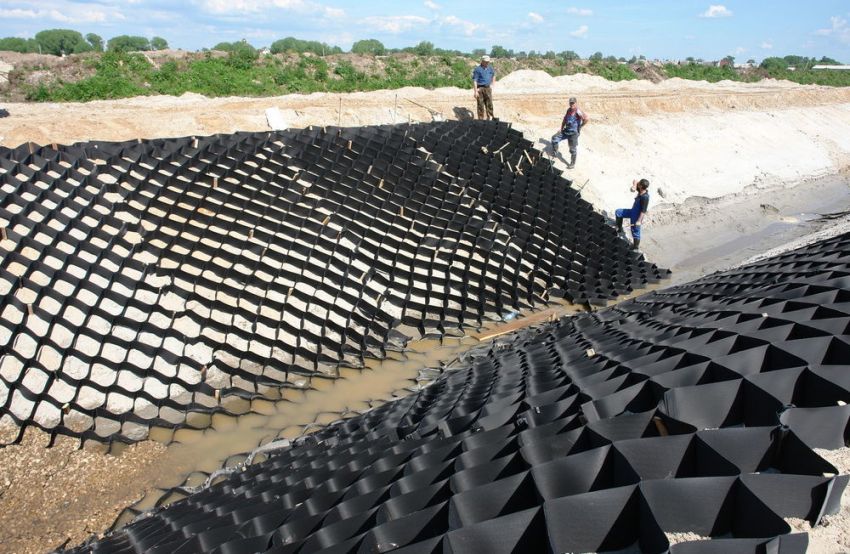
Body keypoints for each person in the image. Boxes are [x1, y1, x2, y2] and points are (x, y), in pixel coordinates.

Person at [550, 97, 588, 168]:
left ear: (576, 103)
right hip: (566, 130)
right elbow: (564, 120)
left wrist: (580, 126)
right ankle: (555, 151)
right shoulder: (568, 110)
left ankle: (572, 164)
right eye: (570, 103)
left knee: (572, 149)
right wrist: (561, 129)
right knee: (554, 138)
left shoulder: (578, 111)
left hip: (573, 134)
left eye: (573, 103)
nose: (571, 104)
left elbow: (586, 119)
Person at [615, 178, 650, 251]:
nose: (638, 183)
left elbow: (643, 211)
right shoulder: (640, 189)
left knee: (635, 231)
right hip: (632, 211)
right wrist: (634, 186)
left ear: (641, 186)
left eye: (639, 184)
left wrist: (639, 221)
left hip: (637, 216)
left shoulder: (645, 197)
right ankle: (619, 228)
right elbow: (635, 181)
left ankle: (635, 247)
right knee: (618, 212)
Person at [472, 55, 496, 120]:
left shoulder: (490, 68)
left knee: (489, 104)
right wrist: (475, 91)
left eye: (488, 62)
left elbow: (493, 75)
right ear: (482, 61)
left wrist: (492, 84)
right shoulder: (477, 69)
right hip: (480, 88)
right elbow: (475, 80)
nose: (487, 63)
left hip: (488, 88)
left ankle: (490, 118)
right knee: (480, 105)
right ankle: (481, 120)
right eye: (486, 62)